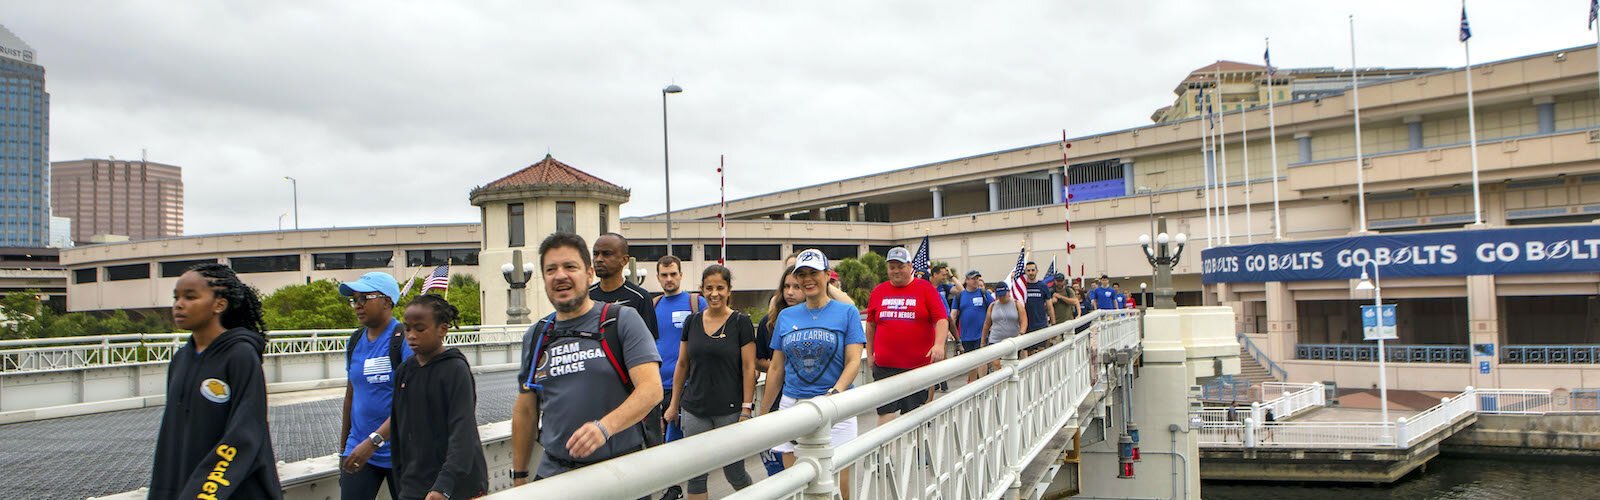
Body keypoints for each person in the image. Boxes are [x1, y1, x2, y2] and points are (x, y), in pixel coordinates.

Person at [511, 232, 663, 484]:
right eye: (551, 269)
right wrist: (519, 475)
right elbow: (526, 410)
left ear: (589, 273)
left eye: (570, 266)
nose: (560, 275)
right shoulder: (537, 334)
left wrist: (604, 428)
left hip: (618, 475)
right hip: (555, 476)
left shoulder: (621, 320)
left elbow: (651, 390)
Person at [150, 263, 281, 499]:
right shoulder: (181, 359)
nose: (179, 304)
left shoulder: (240, 355)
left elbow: (246, 432)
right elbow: (169, 439)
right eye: (176, 297)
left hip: (232, 491)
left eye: (190, 297)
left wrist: (204, 491)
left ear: (219, 304)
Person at [759, 249, 864, 492]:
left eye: (814, 273)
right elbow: (776, 368)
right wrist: (764, 413)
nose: (808, 279)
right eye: (802, 274)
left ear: (827, 275)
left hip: (837, 405)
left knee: (840, 484)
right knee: (796, 483)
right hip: (793, 405)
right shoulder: (786, 316)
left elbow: (853, 361)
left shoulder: (846, 312)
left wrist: (835, 393)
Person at [664, 265, 756, 499]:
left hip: (730, 409)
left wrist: (747, 408)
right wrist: (674, 405)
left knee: (734, 472)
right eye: (709, 288)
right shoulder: (692, 322)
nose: (714, 293)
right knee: (696, 475)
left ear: (729, 291)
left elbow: (749, 368)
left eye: (720, 288)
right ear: (702, 291)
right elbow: (682, 365)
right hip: (695, 408)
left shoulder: (740, 322)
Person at [391, 294, 488, 500]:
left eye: (420, 328)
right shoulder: (404, 371)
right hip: (413, 486)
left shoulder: (455, 369)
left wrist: (444, 485)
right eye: (407, 328)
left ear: (442, 329)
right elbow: (399, 429)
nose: (411, 336)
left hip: (456, 487)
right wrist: (401, 480)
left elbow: (463, 430)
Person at [589, 232, 668, 451]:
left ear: (624, 260)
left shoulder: (639, 297)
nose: (599, 259)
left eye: (607, 254)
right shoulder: (586, 297)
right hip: (597, 390)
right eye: (595, 254)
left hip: (632, 388)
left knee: (646, 447)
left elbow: (650, 347)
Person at [337, 272, 412, 500]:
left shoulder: (404, 340)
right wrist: (344, 449)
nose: (357, 306)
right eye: (354, 300)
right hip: (359, 450)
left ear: (387, 301)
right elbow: (351, 396)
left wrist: (374, 441)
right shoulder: (355, 341)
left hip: (401, 453)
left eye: (364, 298)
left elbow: (410, 402)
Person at [866, 246, 949, 425]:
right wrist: (871, 352)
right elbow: (871, 325)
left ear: (910, 266)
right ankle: (886, 453)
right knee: (885, 411)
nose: (896, 271)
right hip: (885, 366)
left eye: (900, 266)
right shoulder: (879, 291)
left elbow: (941, 319)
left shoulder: (925, 288)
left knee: (914, 415)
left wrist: (939, 345)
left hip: (916, 368)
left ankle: (917, 452)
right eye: (892, 266)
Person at [650, 255, 705, 499]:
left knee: (678, 440)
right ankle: (671, 487)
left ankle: (680, 488)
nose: (669, 279)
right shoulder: (652, 306)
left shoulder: (697, 303)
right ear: (658, 277)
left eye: (673, 274)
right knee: (658, 441)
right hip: (655, 386)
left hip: (688, 386)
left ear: (681, 275)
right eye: (664, 274)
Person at [754, 266, 804, 476]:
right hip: (777, 398)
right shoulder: (770, 321)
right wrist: (782, 367)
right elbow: (760, 360)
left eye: (796, 287)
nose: (790, 292)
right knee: (778, 469)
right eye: (786, 286)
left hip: (807, 399)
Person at [952, 270, 993, 382]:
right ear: (967, 280)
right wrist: (951, 332)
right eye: (973, 278)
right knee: (971, 362)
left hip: (981, 334)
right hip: (966, 335)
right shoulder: (960, 296)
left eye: (977, 278)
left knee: (982, 359)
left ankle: (983, 384)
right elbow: (954, 315)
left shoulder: (984, 294)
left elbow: (994, 307)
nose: (976, 281)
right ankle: (973, 385)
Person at [983, 281, 1026, 368]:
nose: (1002, 297)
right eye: (999, 296)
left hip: (1013, 340)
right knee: (996, 364)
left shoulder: (1016, 304)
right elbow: (987, 324)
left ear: (1008, 292)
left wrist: (1021, 333)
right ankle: (1000, 381)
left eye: (1004, 295)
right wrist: (983, 341)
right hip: (995, 339)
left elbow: (1024, 320)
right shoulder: (992, 306)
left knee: (1011, 365)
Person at [1022, 262, 1054, 332]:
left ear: (1037, 271)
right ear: (1025, 272)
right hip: (1026, 326)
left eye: (1033, 270)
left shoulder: (1043, 286)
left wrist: (1053, 323)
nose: (1031, 273)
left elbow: (1050, 306)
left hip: (1041, 325)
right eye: (1028, 270)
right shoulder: (1022, 287)